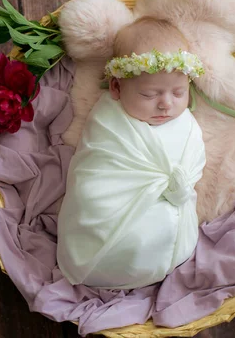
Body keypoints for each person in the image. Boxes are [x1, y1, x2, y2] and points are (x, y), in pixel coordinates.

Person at [56, 17, 207, 289]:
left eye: (179, 92)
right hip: (110, 214)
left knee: (156, 229)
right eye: (149, 94)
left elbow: (193, 166)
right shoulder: (108, 120)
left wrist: (176, 188)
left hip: (170, 219)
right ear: (116, 87)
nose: (165, 104)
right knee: (94, 201)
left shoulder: (187, 126)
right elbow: (94, 176)